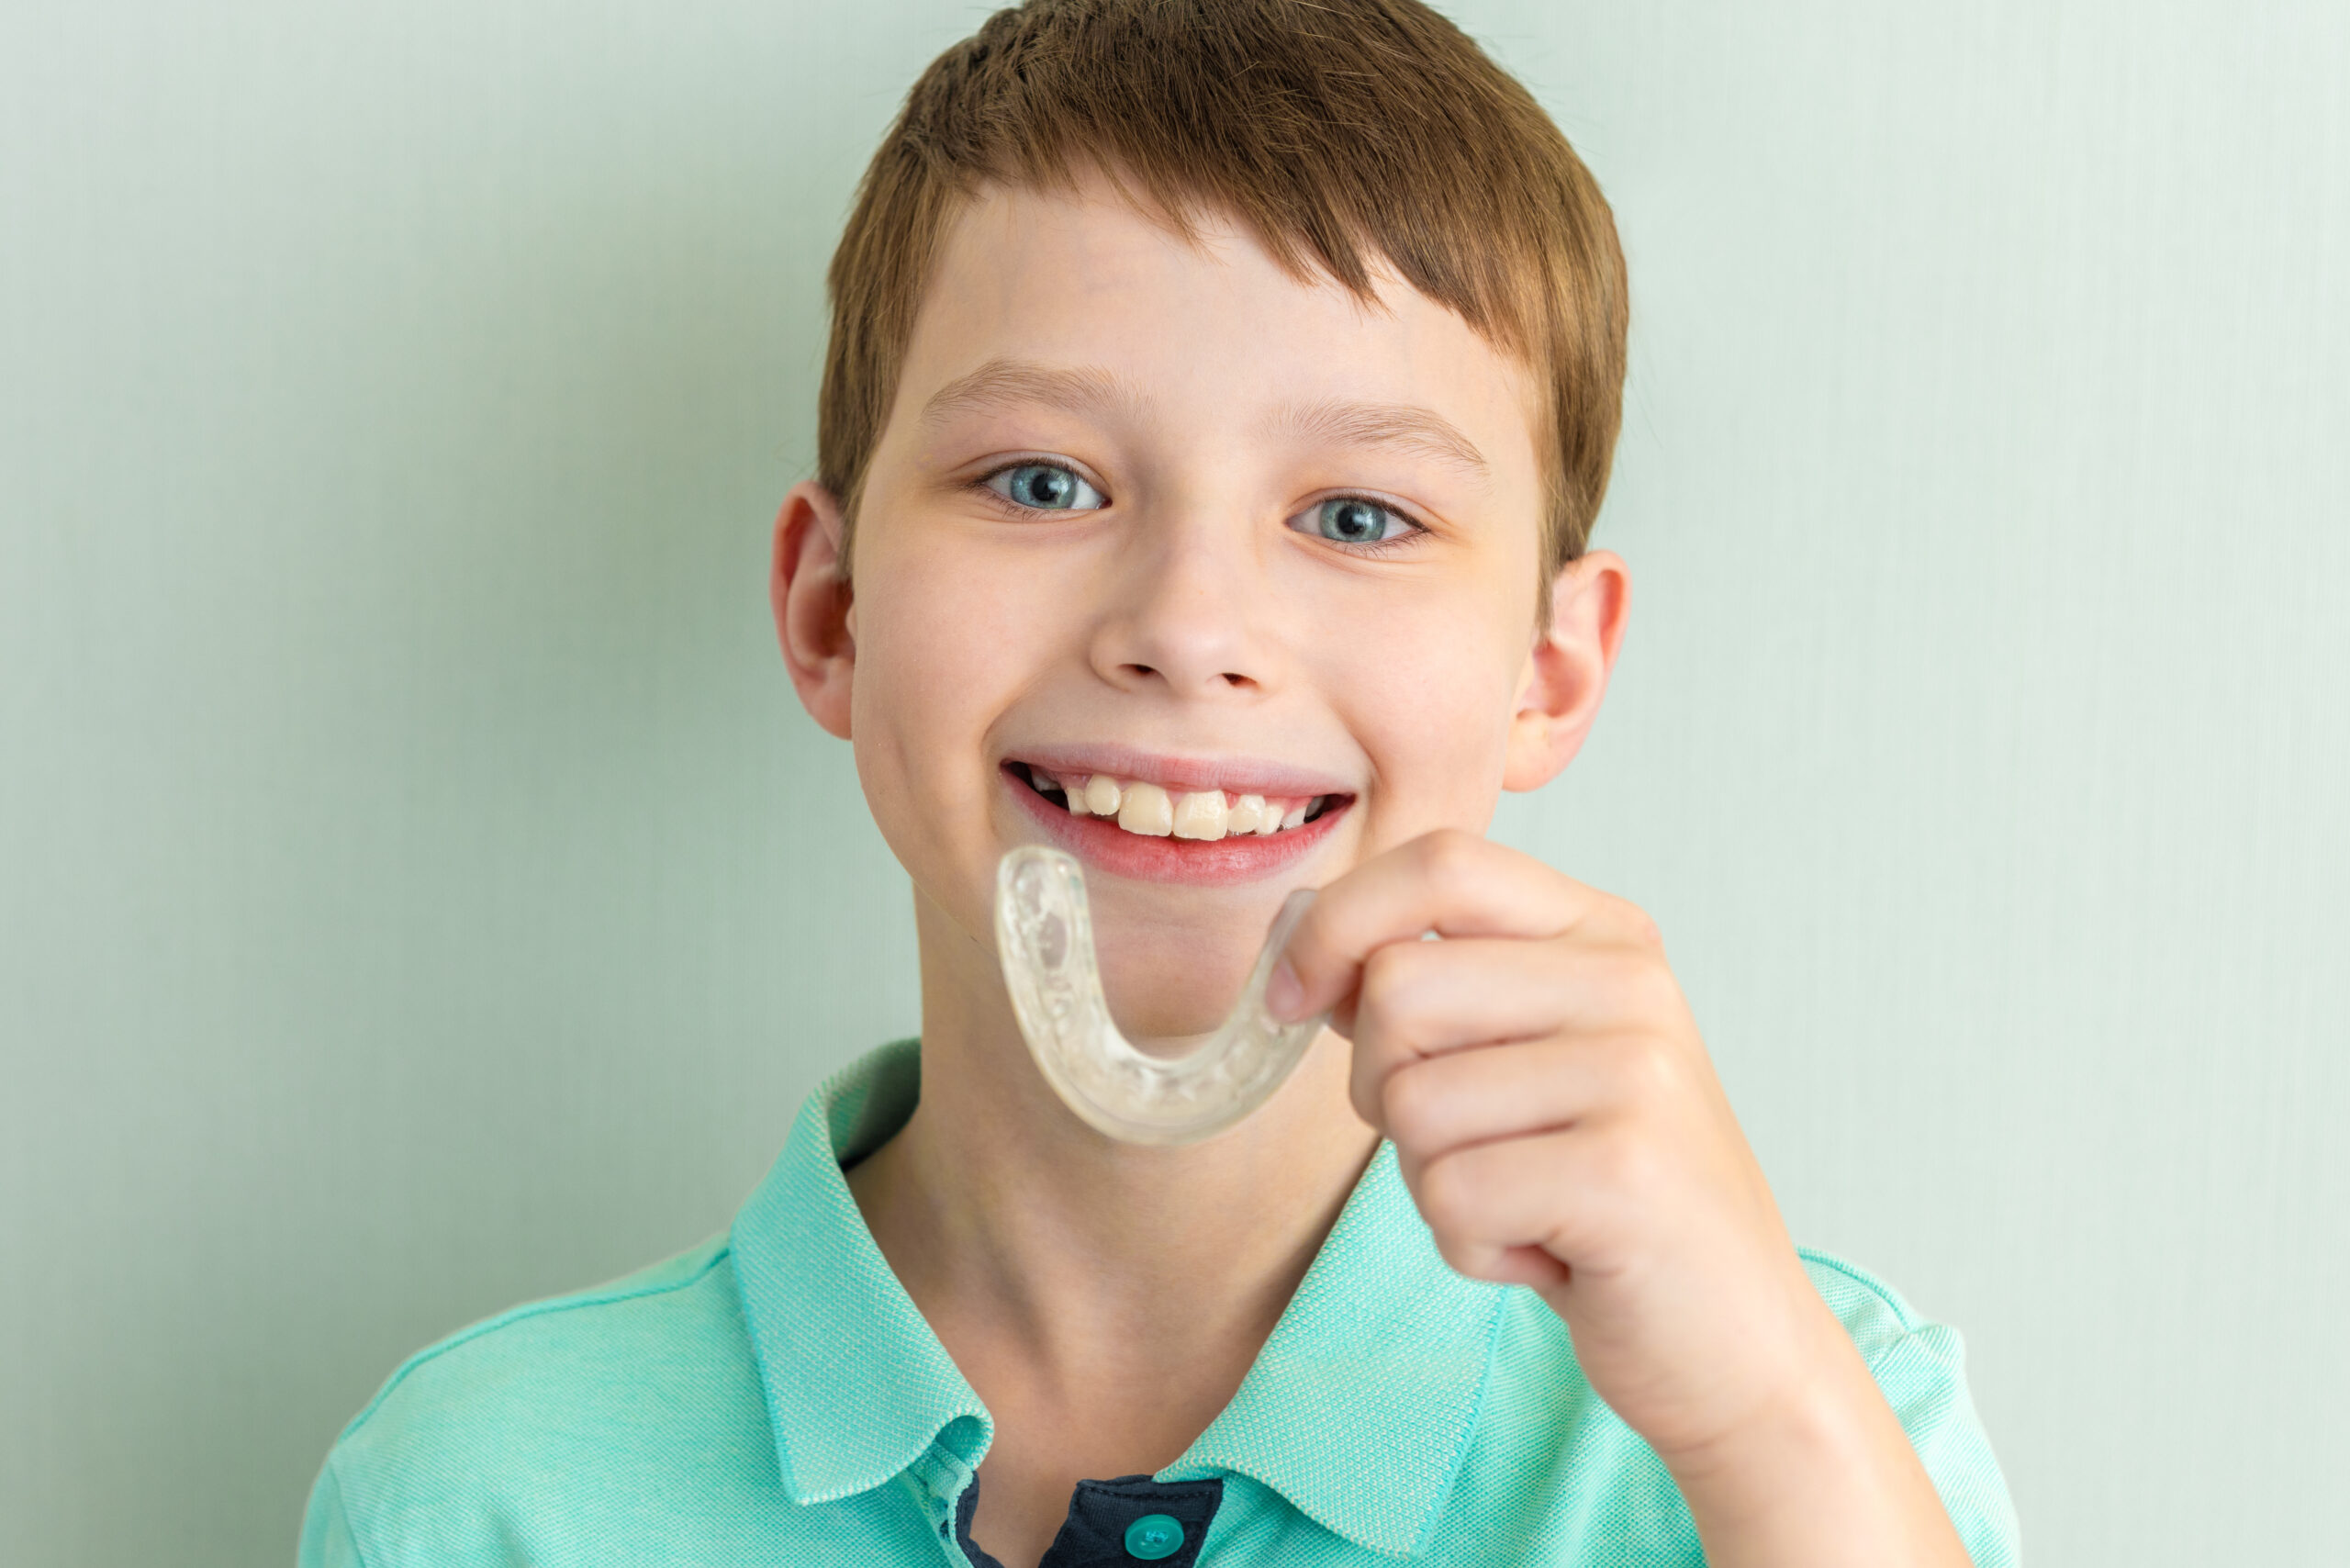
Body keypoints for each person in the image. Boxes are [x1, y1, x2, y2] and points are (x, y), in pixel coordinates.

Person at [298, 2, 2019, 1563]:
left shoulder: (1810, 1434)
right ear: (832, 613)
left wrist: (1765, 1432)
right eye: (1043, 482)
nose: (1191, 631)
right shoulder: (478, 1498)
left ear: (1549, 673)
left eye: (1359, 516)